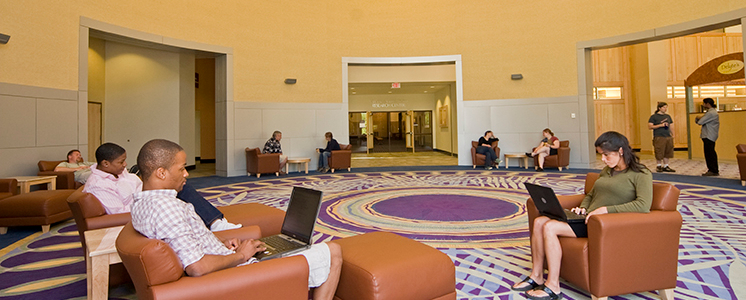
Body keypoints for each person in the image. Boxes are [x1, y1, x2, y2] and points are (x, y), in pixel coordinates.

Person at [131, 139, 342, 299]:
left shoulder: (141, 204)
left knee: (292, 246)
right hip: (237, 272)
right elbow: (196, 267)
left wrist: (220, 244)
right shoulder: (167, 207)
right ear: (161, 173)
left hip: (227, 260)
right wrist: (241, 255)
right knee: (333, 251)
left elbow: (184, 246)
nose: (186, 174)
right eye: (181, 168)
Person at [512, 131, 652, 300]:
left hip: (604, 225)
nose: (604, 160)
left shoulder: (641, 174)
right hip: (587, 218)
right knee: (540, 221)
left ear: (621, 151)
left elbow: (643, 205)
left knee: (550, 226)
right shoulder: (608, 171)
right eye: (601, 155)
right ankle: (536, 276)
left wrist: (605, 210)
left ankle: (553, 286)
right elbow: (591, 195)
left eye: (607, 155)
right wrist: (583, 208)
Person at [83, 142, 240, 231]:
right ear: (105, 163)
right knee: (179, 187)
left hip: (149, 197)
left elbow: (135, 183)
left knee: (180, 184)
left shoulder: (120, 173)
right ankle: (214, 224)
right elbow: (119, 213)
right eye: (120, 162)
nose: (124, 165)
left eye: (125, 160)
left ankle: (215, 223)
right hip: (144, 207)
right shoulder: (98, 185)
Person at [647, 102, 675, 173]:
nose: (665, 109)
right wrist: (660, 125)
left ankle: (666, 166)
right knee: (659, 151)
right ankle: (659, 165)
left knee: (668, 151)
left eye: (666, 107)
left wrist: (673, 134)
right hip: (659, 136)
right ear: (659, 108)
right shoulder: (654, 117)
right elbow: (650, 126)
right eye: (664, 107)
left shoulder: (668, 116)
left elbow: (671, 126)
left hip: (668, 136)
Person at [695, 98, 720, 176]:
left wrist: (699, 117)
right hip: (710, 135)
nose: (703, 105)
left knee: (709, 153)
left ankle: (713, 170)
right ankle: (713, 169)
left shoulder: (711, 113)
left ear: (707, 104)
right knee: (710, 152)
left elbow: (700, 122)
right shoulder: (710, 112)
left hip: (709, 135)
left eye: (704, 103)